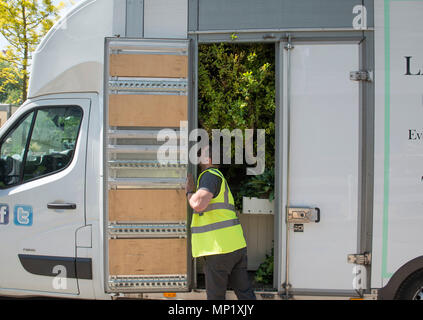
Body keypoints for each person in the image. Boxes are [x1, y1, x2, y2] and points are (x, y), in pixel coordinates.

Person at [185, 142, 256, 300]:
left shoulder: (209, 176)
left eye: (201, 155)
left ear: (209, 159)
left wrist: (190, 191)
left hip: (219, 249)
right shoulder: (220, 178)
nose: (198, 158)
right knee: (245, 293)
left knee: (216, 298)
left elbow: (198, 204)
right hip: (236, 246)